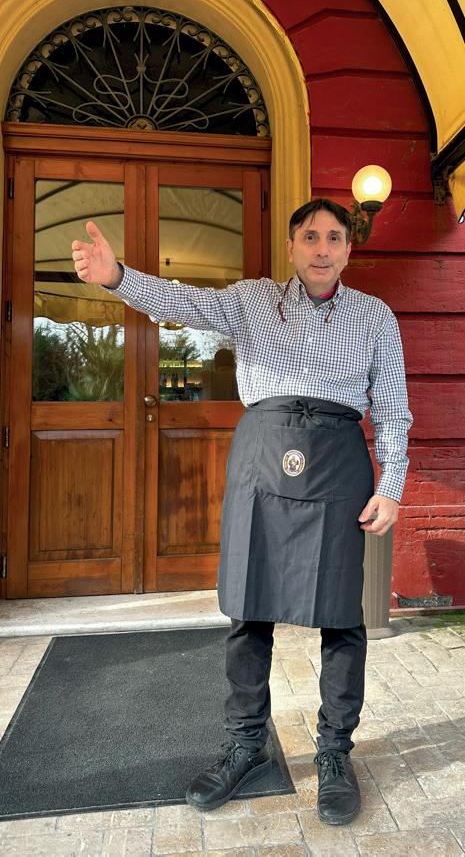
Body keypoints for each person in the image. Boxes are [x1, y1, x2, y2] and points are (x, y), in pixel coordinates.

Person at [72, 198, 413, 825]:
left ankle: (334, 753)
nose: (321, 249)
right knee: (248, 610)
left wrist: (391, 485)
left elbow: (392, 407)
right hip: (261, 464)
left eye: (333, 238)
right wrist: (117, 277)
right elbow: (183, 302)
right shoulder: (252, 300)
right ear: (291, 246)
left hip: (338, 469)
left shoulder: (374, 316)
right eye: (310, 236)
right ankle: (246, 744)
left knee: (343, 618)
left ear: (348, 249)